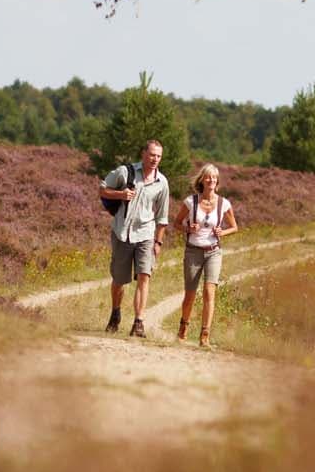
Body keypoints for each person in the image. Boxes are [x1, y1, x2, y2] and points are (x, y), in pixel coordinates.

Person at [99, 139, 171, 337]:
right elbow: (102, 189)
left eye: (158, 156)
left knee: (144, 276)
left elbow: (162, 216)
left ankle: (139, 322)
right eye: (152, 155)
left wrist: (158, 241)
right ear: (143, 154)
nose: (155, 159)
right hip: (122, 232)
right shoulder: (125, 172)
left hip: (146, 234)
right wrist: (121, 195)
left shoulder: (162, 182)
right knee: (119, 280)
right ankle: (115, 312)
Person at [172, 163, 239, 348]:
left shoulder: (224, 204)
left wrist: (222, 232)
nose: (211, 180)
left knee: (210, 292)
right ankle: (183, 328)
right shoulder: (190, 202)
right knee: (190, 295)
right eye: (208, 177)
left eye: (214, 177)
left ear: (217, 181)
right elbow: (176, 223)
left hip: (213, 252)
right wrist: (187, 227)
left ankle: (204, 336)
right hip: (193, 251)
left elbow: (235, 227)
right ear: (202, 180)